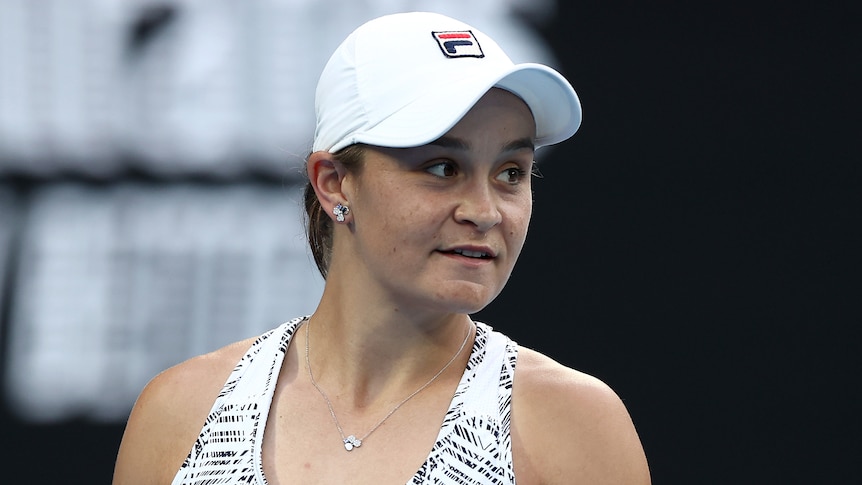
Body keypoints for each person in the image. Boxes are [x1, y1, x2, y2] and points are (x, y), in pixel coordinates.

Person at [112, 11, 651, 485]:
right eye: (443, 168)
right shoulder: (181, 413)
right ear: (334, 183)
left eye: (511, 172)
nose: (485, 211)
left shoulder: (575, 427)